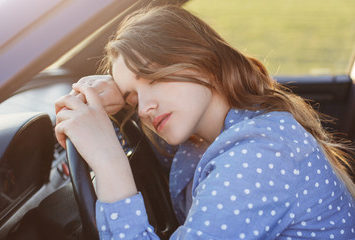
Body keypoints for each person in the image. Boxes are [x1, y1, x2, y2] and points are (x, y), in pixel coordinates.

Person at [55, 4, 355, 240]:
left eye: (154, 78)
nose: (145, 107)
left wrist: (109, 163)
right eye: (133, 95)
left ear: (202, 60)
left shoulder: (260, 153)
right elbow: (156, 155)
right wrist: (115, 96)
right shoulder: (204, 137)